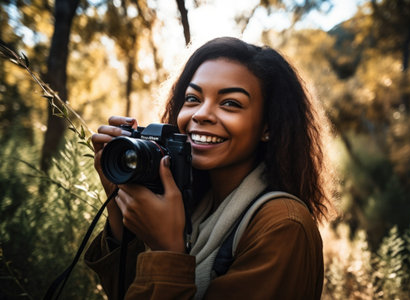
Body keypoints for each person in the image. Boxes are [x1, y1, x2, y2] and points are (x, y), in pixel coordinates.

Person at [85, 36, 334, 299]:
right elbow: (127, 292)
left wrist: (166, 250)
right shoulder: (190, 202)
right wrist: (118, 200)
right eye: (193, 98)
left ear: (267, 127)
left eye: (230, 103)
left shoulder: (283, 226)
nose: (201, 114)